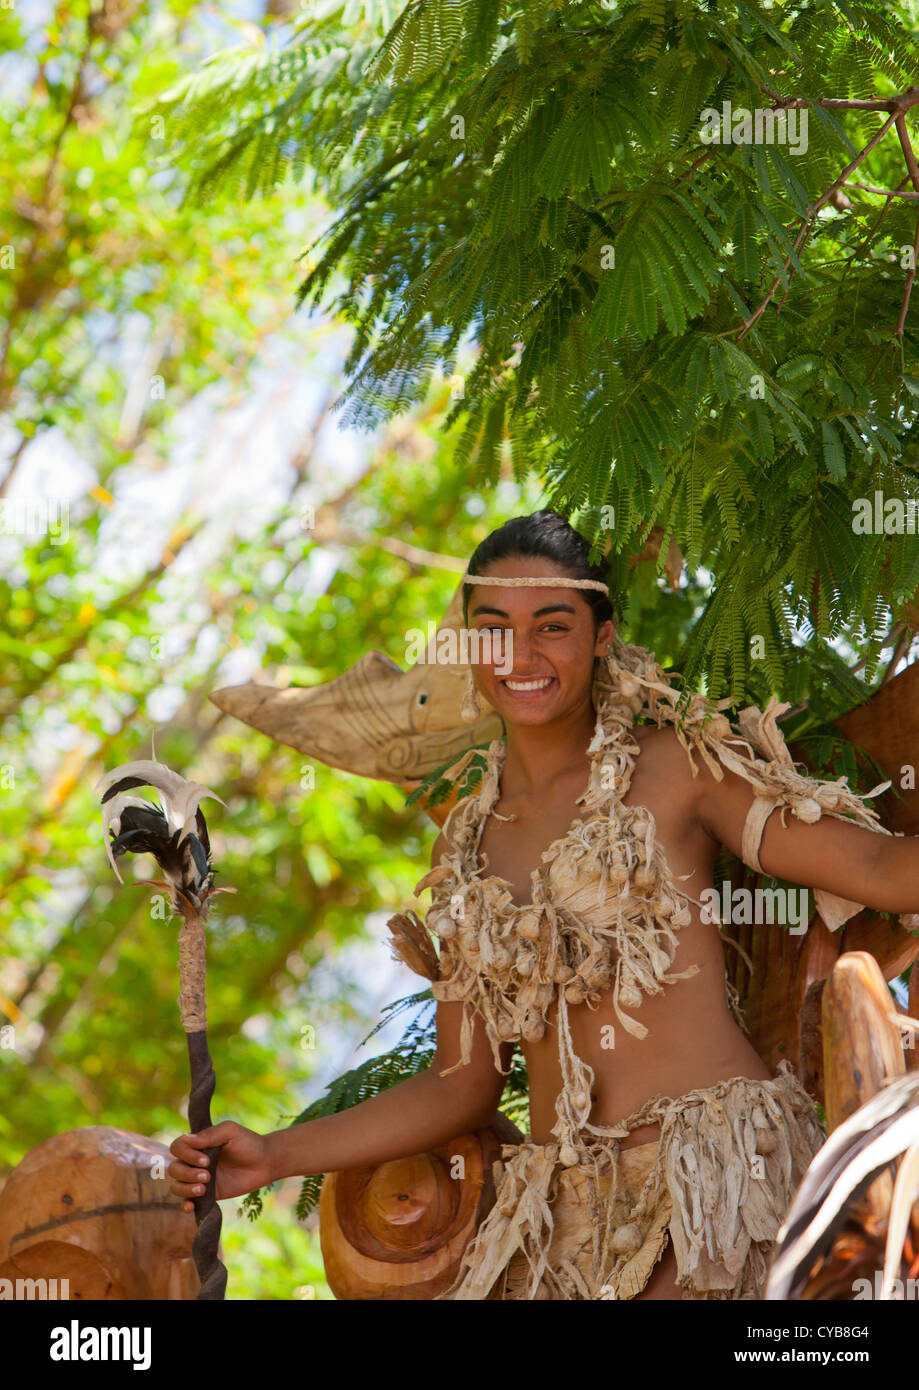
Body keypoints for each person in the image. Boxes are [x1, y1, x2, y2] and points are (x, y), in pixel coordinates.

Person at [167, 510, 919, 1299]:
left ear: (600, 636)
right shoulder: (462, 848)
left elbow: (876, 865)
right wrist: (276, 1154)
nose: (520, 657)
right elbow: (460, 1085)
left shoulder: (675, 770)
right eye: (493, 629)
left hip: (714, 1189)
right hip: (560, 1226)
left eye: (550, 627)